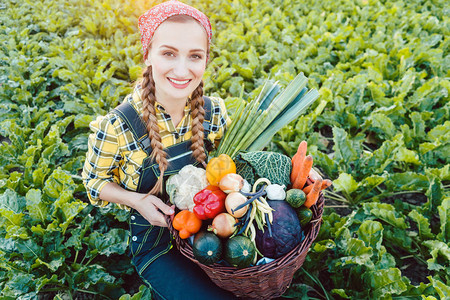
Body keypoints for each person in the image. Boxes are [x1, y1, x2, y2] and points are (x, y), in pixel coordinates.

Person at [82, 1, 236, 299]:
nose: (182, 69)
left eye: (195, 56)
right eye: (168, 53)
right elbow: (93, 182)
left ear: (206, 60)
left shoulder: (213, 112)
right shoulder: (119, 125)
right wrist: (136, 200)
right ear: (148, 55)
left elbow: (234, 168)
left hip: (214, 231)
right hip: (158, 246)